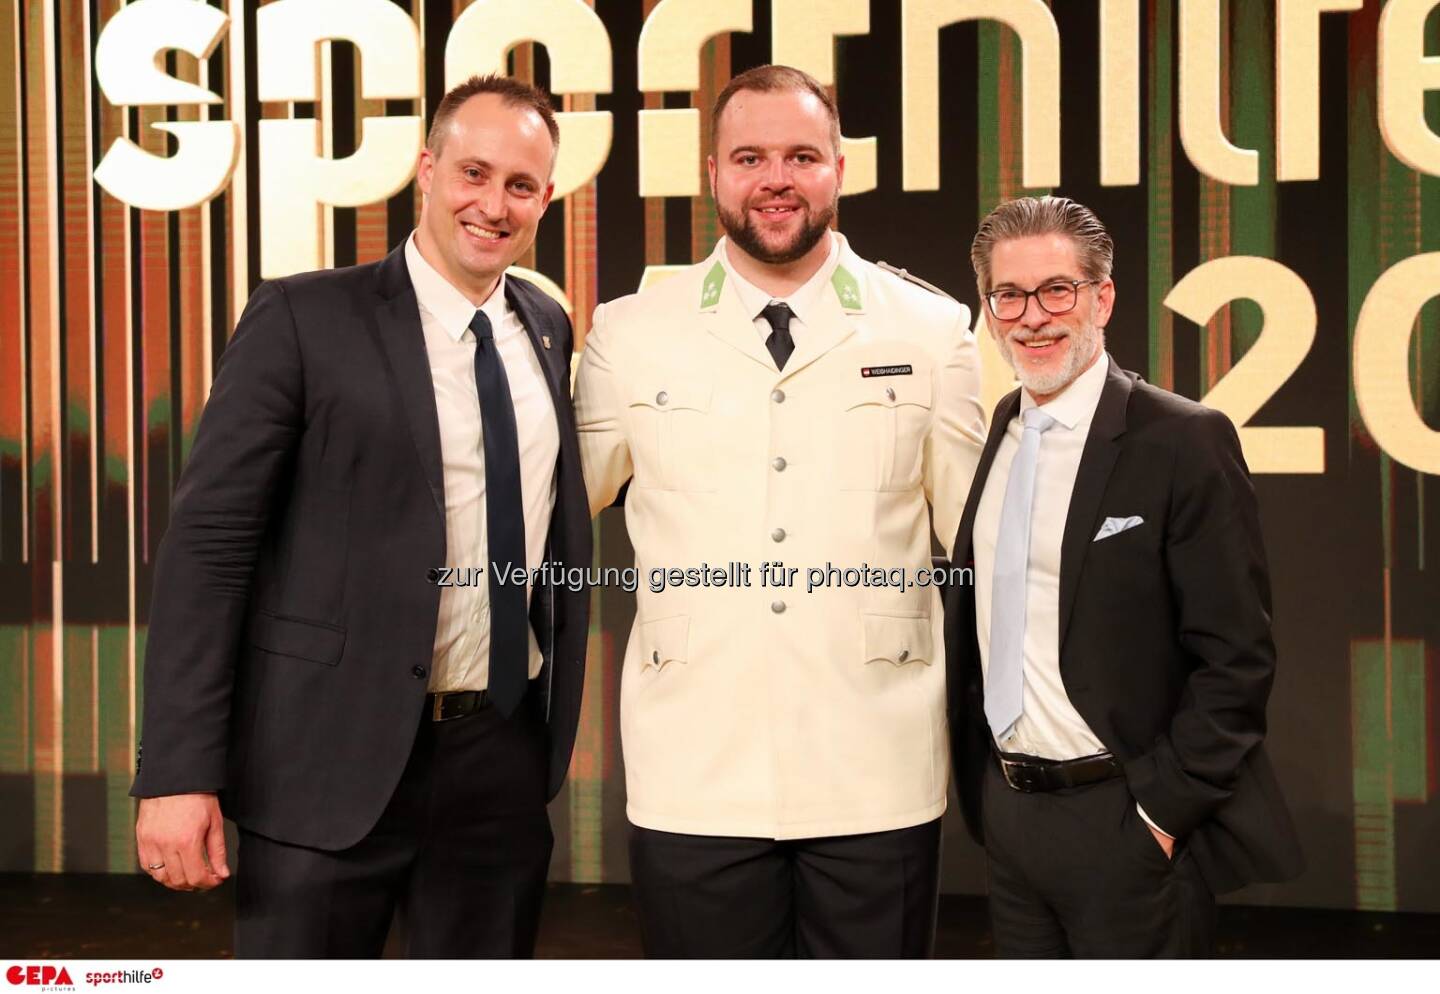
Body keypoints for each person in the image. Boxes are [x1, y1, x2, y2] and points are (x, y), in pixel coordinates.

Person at [130, 74, 592, 958]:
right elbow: (210, 550)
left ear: (546, 198)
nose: (493, 205)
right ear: (427, 169)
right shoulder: (303, 317)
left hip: (497, 763)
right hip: (320, 761)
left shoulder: (546, 325)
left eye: (521, 185)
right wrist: (180, 773)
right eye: (473, 172)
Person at [574, 64, 985, 958]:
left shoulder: (931, 329)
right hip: (692, 768)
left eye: (802, 155)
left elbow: (986, 539)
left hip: (877, 768)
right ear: (713, 173)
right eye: (750, 156)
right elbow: (553, 506)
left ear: (839, 168)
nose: (776, 178)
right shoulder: (631, 331)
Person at [944, 195, 1304, 958]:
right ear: (989, 308)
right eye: (1008, 295)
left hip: (1126, 824)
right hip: (1009, 821)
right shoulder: (997, 431)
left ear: (1101, 297)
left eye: (1056, 290)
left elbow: (1236, 655)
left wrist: (1160, 814)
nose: (1032, 315)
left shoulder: (1182, 439)